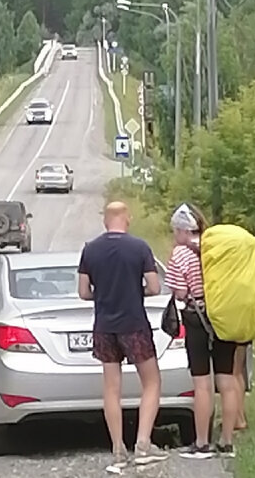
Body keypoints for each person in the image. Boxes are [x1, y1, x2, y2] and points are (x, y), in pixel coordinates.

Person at [78, 201, 169, 473]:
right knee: (151, 382)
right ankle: (143, 444)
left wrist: (104, 294)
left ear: (105, 221)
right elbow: (155, 287)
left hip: (104, 326)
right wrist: (134, 289)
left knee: (111, 389)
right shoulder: (140, 248)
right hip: (134, 323)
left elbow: (83, 292)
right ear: (127, 218)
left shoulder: (90, 249)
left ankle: (118, 449)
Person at [165, 202, 241, 459]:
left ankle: (201, 443)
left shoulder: (180, 254)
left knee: (202, 383)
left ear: (184, 231)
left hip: (196, 318)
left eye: (176, 231)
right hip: (224, 316)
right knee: (227, 380)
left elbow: (180, 292)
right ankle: (227, 442)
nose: (175, 237)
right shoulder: (218, 249)